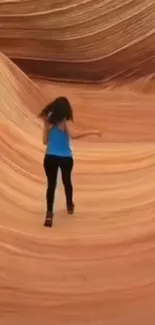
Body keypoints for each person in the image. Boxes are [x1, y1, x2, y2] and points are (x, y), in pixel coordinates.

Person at [39, 97, 101, 227]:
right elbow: (74, 135)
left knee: (51, 185)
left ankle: (49, 214)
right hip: (65, 157)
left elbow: (45, 141)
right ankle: (69, 205)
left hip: (50, 156)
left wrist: (45, 125)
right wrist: (93, 132)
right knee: (67, 181)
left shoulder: (49, 122)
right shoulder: (65, 121)